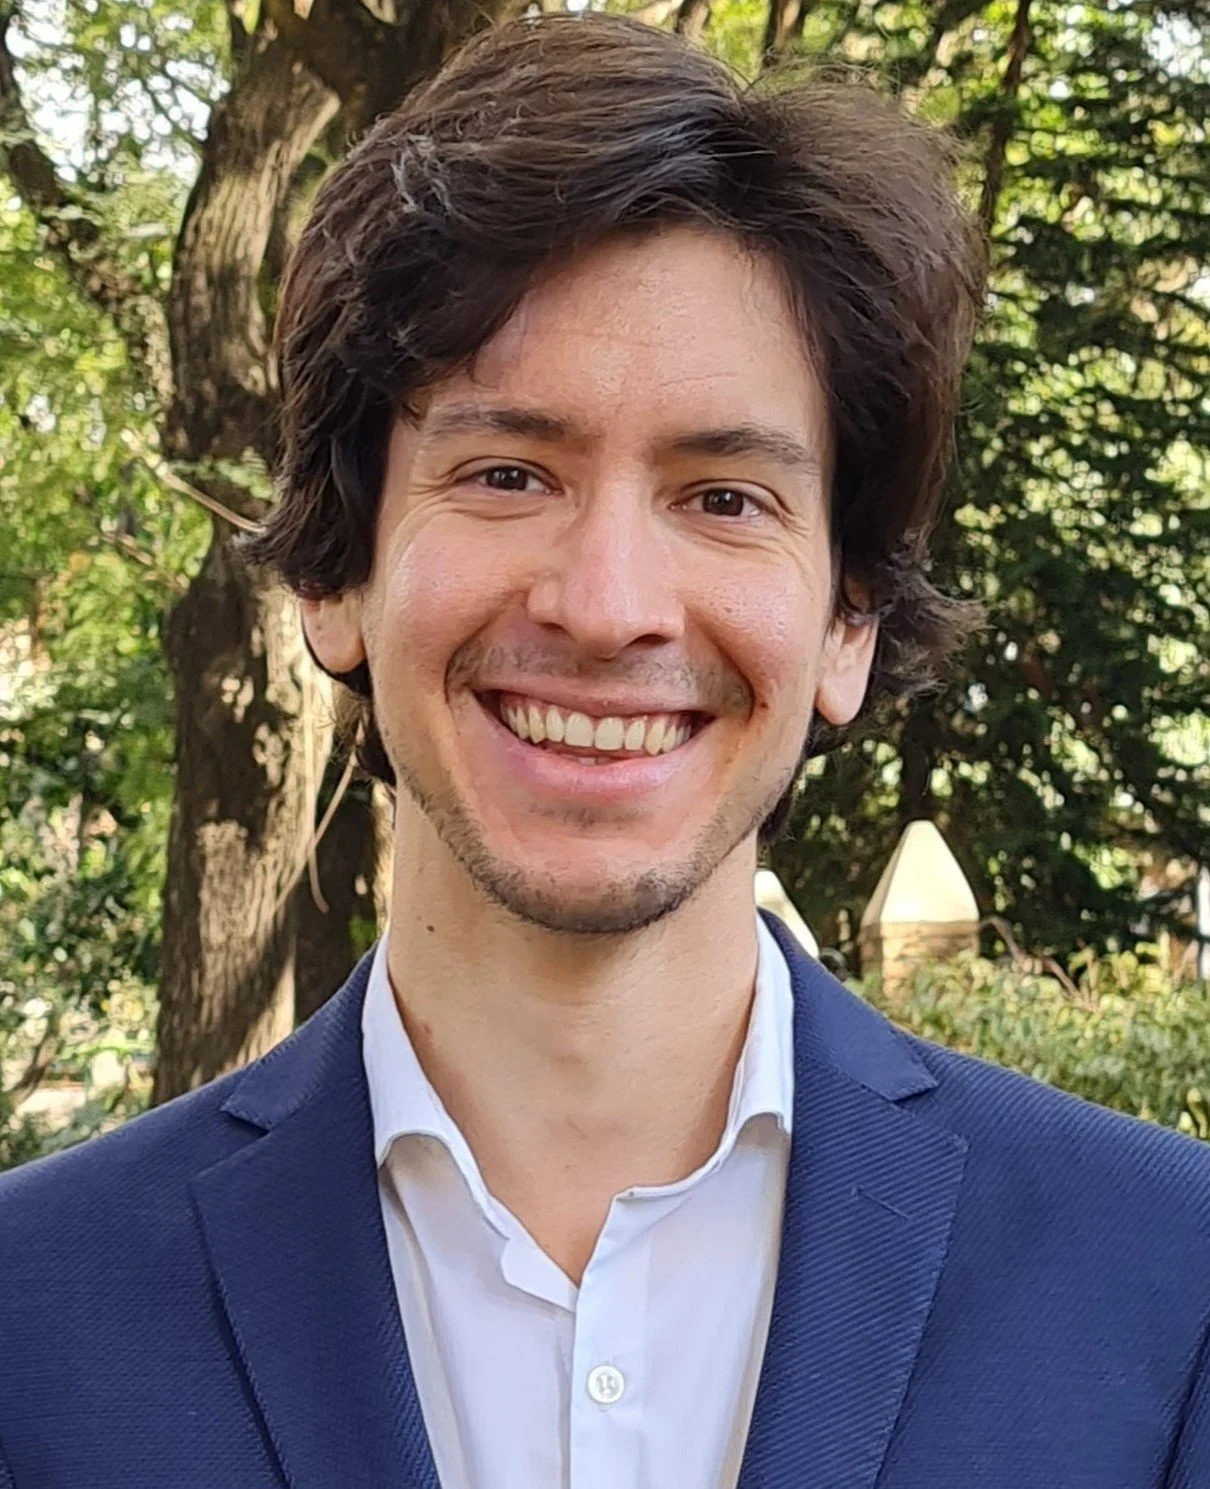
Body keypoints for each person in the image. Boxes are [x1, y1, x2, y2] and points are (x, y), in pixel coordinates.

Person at [1, 14, 1207, 1488]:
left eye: (724, 498)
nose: (608, 604)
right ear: (335, 574)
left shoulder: (1170, 1288)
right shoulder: (29, 1324)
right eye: (508, 474)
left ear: (849, 620)